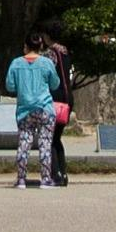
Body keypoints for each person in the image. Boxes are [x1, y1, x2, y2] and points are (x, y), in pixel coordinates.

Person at [8, 29, 62, 190]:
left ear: (25, 46)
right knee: (45, 143)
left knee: (24, 143)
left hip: (25, 109)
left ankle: (21, 179)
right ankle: (45, 178)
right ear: (40, 46)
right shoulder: (47, 63)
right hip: (45, 107)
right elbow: (55, 84)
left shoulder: (16, 63)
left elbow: (10, 86)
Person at [42, 22, 76, 187]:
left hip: (55, 98)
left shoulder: (50, 53)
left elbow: (46, 75)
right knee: (57, 138)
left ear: (47, 35)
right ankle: (63, 172)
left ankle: (56, 174)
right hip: (68, 98)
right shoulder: (65, 51)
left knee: (49, 139)